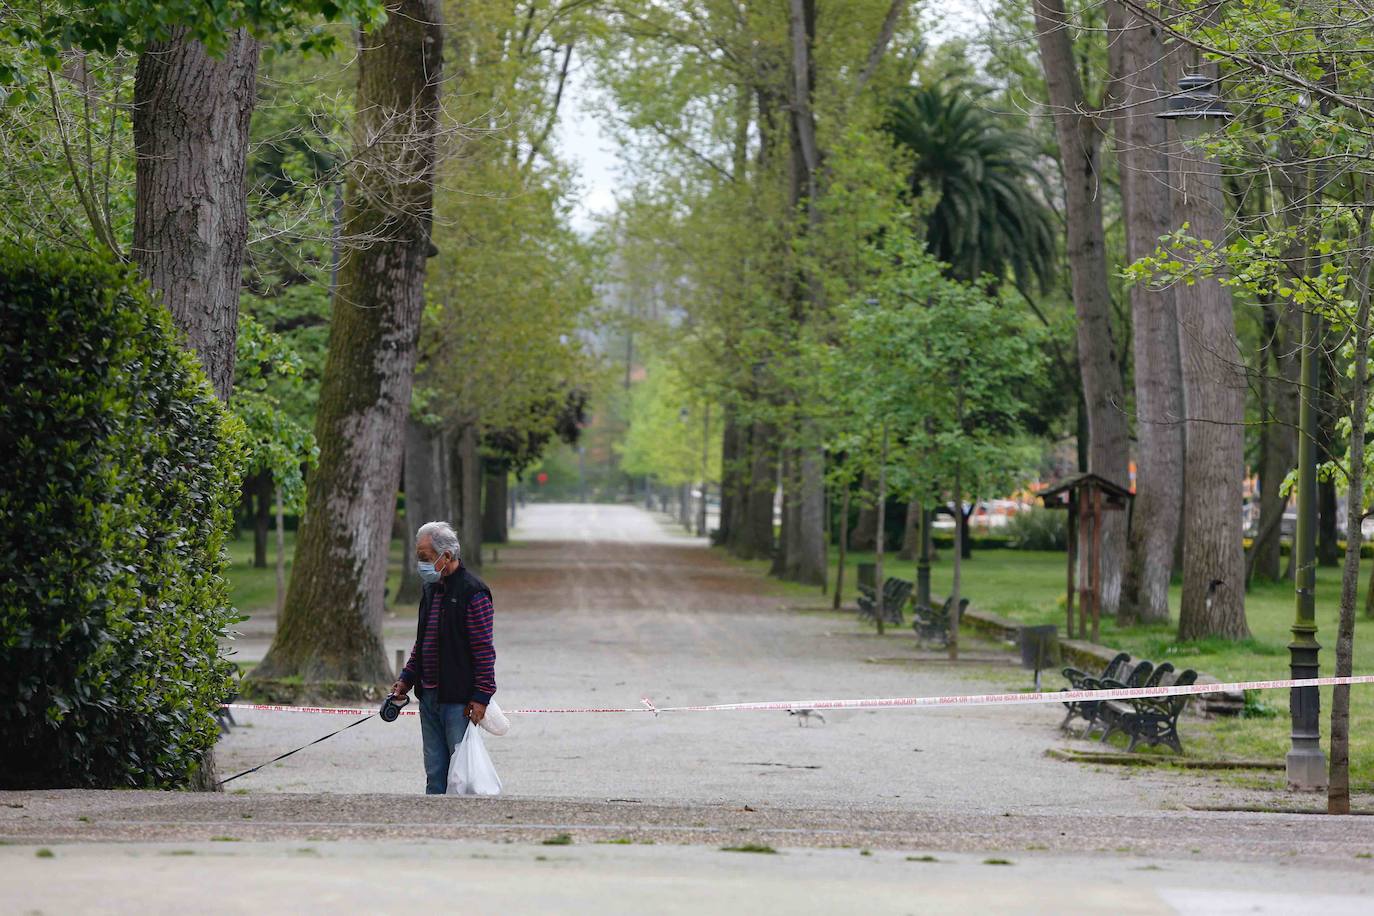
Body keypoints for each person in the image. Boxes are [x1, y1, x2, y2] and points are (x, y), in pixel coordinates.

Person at [390, 521, 497, 794]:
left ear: (445, 557)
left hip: (458, 702)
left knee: (462, 776)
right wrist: (406, 679)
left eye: (425, 558)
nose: (420, 564)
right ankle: (433, 828)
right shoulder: (430, 590)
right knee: (435, 774)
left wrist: (482, 696)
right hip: (428, 698)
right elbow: (422, 642)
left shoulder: (474, 593)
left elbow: (484, 651)